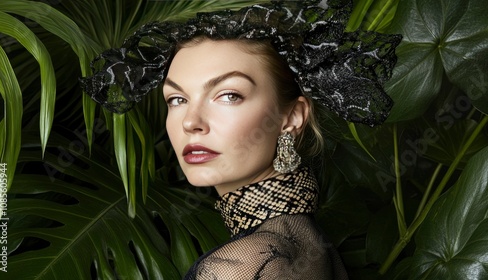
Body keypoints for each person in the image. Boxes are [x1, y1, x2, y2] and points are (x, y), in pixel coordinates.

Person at [81, 1, 401, 279]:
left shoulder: (241, 266)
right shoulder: (302, 240)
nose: (191, 122)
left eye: (229, 95)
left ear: (292, 116)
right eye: (177, 99)